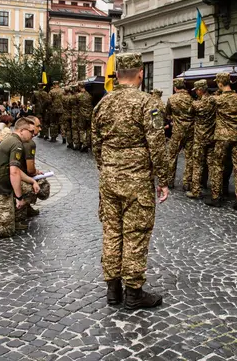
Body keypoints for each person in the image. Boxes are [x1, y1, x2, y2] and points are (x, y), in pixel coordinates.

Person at [92, 53, 169, 310]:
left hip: (109, 179)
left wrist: (107, 170)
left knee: (112, 232)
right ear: (140, 73)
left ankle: (113, 289)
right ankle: (133, 292)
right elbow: (157, 144)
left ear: (116, 74)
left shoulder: (102, 104)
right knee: (135, 233)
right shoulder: (148, 103)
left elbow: (96, 145)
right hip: (137, 181)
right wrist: (164, 179)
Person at [203, 73, 237, 211]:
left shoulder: (217, 99)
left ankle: (216, 196)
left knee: (217, 166)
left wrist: (218, 92)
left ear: (220, 83)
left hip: (222, 137)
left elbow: (206, 105)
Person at [186, 80, 216, 200]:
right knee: (213, 165)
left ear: (199, 90)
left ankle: (196, 191)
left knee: (197, 164)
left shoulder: (196, 104)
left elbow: (190, 113)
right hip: (212, 137)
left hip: (199, 138)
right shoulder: (215, 101)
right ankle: (215, 192)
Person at [166, 78, 195, 190]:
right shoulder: (191, 99)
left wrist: (173, 120)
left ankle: (170, 181)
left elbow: (167, 114)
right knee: (189, 157)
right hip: (190, 131)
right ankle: (187, 182)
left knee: (172, 156)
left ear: (175, 88)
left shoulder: (172, 99)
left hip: (177, 131)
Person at [77, 82, 93, 153]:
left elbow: (74, 104)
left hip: (82, 115)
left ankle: (84, 144)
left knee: (82, 130)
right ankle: (89, 142)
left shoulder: (78, 95)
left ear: (80, 87)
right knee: (88, 129)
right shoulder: (89, 95)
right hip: (89, 114)